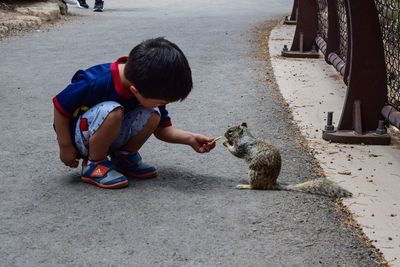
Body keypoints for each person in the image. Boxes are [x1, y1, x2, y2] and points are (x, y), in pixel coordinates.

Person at [53, 37, 216, 189]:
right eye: (161, 101)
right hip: (80, 137)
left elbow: (162, 130)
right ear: (135, 91)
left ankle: (123, 157)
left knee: (154, 114)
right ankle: (94, 164)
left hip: (108, 132)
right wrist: (65, 147)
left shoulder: (148, 85)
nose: (163, 104)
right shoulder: (96, 80)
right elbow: (60, 106)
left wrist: (190, 139)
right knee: (113, 111)